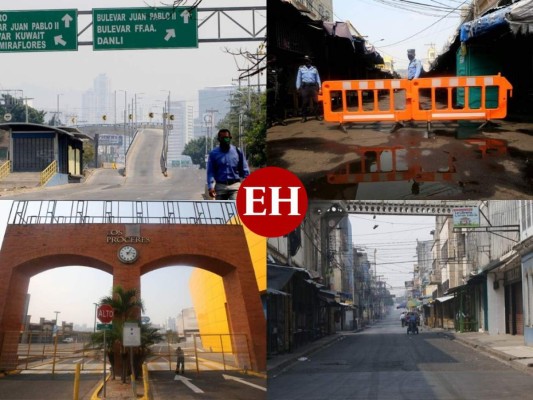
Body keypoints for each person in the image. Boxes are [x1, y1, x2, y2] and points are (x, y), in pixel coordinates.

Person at [206, 129, 250, 200]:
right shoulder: (213, 154)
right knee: (221, 209)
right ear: (219, 139)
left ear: (230, 138)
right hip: (220, 187)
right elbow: (210, 172)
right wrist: (210, 187)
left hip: (235, 186)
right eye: (222, 138)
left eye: (227, 138)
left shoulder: (237, 151)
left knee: (235, 207)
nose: (225, 140)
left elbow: (244, 169)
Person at [296, 55, 322, 122]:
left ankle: (317, 115)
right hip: (305, 87)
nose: (307, 61)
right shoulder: (301, 68)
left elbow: (318, 78)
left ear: (310, 61)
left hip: (313, 86)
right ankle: (304, 117)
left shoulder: (314, 68)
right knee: (304, 103)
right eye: (305, 60)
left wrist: (320, 88)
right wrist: (298, 87)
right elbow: (298, 78)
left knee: (316, 102)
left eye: (308, 60)